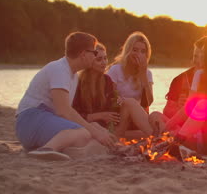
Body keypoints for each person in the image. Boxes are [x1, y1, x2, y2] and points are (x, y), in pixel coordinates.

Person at [15, 32, 116, 161]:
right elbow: (63, 111)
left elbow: (68, 113)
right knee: (84, 133)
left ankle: (52, 147)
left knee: (90, 130)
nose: (95, 56)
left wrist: (96, 128)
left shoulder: (72, 75)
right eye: (94, 53)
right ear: (83, 54)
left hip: (42, 120)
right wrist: (93, 131)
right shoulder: (59, 69)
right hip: (30, 121)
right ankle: (46, 149)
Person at [72, 43, 153, 139]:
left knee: (130, 102)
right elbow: (73, 115)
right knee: (142, 133)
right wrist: (100, 116)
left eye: (105, 58)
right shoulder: (79, 83)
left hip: (110, 126)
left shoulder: (106, 80)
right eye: (99, 59)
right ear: (89, 61)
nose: (104, 62)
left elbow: (113, 107)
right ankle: (156, 137)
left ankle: (158, 137)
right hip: (93, 128)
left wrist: (119, 102)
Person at [107, 32, 154, 113]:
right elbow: (109, 97)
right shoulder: (115, 70)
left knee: (155, 115)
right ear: (128, 50)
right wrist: (124, 102)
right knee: (131, 103)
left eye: (143, 51)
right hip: (119, 112)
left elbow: (149, 102)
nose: (138, 54)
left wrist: (143, 76)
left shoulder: (147, 73)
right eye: (135, 50)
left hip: (138, 114)